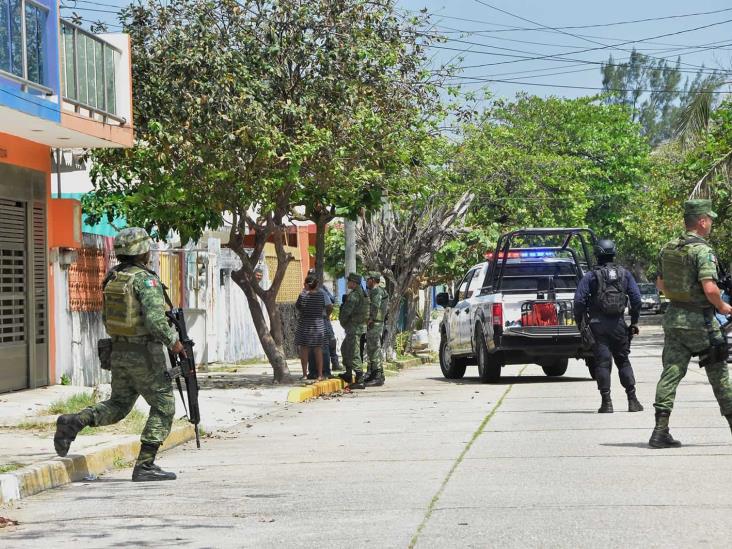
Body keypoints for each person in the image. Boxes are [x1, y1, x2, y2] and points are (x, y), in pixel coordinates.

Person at [53, 228, 184, 482]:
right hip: (145, 355)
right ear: (143, 251)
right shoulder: (146, 281)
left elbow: (106, 318)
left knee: (119, 405)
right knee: (164, 406)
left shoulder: (113, 278)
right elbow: (157, 322)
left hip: (120, 352)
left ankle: (73, 422)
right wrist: (174, 343)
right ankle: (145, 465)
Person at [650, 199, 732, 448]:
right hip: (702, 323)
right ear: (702, 221)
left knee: (670, 373)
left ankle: (659, 431)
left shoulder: (668, 247)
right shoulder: (702, 251)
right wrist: (723, 306)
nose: (711, 225)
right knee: (719, 376)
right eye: (710, 220)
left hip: (675, 319)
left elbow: (660, 285)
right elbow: (710, 287)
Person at [574, 239, 643, 414]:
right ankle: (632, 400)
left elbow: (579, 301)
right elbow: (636, 300)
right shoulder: (625, 274)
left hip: (598, 325)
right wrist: (634, 322)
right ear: (614, 252)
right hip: (619, 324)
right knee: (623, 361)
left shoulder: (591, 276)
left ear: (597, 254)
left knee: (603, 363)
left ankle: (607, 402)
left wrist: (580, 323)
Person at [339, 273, 369, 389]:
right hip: (357, 327)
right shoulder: (362, 293)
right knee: (345, 349)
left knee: (354, 353)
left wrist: (343, 322)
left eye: (349, 281)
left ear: (354, 282)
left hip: (354, 328)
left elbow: (346, 313)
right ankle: (348, 373)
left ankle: (359, 379)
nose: (348, 283)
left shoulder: (355, 296)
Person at [295, 274, 326, 382]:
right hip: (318, 325)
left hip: (305, 325)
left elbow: (298, 306)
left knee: (304, 350)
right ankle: (320, 375)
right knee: (318, 350)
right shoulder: (321, 295)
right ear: (316, 284)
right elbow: (323, 307)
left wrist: (304, 292)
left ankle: (304, 374)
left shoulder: (303, 296)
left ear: (306, 285)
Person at [365, 272, 389, 387]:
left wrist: (370, 319)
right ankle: (374, 373)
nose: (366, 281)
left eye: (368, 279)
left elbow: (375, 306)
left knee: (374, 349)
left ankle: (377, 376)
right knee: (371, 349)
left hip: (375, 323)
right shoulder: (375, 291)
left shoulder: (377, 291)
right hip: (375, 323)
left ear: (373, 280)